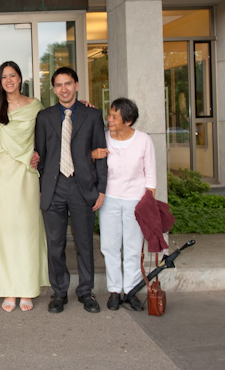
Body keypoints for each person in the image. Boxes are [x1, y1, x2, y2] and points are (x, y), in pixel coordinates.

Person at [35, 67, 108, 314]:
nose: (63, 89)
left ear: (77, 85)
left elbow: (101, 156)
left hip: (82, 186)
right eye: (58, 85)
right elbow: (40, 155)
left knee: (84, 243)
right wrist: (42, 187)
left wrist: (101, 189)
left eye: (68, 83)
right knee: (55, 244)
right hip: (54, 188)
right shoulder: (44, 117)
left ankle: (86, 291)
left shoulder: (93, 115)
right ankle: (59, 292)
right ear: (54, 89)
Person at [0, 61, 48, 312]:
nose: (8, 80)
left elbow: (46, 137)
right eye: (4, 77)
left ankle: (27, 289)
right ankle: (9, 289)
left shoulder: (35, 106)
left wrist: (39, 153)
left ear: (20, 78)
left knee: (27, 232)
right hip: (1, 175)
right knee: (4, 233)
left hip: (26, 174)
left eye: (12, 75)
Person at [91, 98, 156, 311]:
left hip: (135, 201)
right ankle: (114, 291)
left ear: (128, 121)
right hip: (109, 199)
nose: (109, 119)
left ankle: (130, 291)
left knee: (133, 247)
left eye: (114, 117)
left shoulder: (143, 140)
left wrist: (148, 203)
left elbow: (151, 176)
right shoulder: (103, 138)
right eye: (109, 115)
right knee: (109, 246)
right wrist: (93, 155)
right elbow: (89, 161)